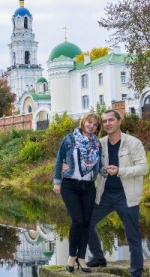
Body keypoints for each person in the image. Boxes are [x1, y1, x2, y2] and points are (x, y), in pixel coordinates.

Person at [87, 109, 148, 277]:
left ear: (119, 121)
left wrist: (120, 171)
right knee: (84, 223)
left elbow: (143, 167)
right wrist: (68, 167)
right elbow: (88, 165)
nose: (107, 123)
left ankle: (136, 272)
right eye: (104, 121)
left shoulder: (133, 143)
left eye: (111, 120)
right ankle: (98, 257)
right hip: (104, 195)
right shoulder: (99, 143)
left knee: (133, 236)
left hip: (126, 195)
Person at [53, 113, 102, 273]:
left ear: (97, 128)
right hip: (70, 186)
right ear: (83, 122)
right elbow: (60, 160)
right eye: (89, 122)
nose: (91, 126)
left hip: (88, 187)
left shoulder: (97, 144)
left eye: (95, 124)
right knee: (77, 221)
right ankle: (71, 256)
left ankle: (82, 258)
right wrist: (57, 182)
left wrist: (106, 170)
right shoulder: (69, 139)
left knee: (87, 223)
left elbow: (98, 166)